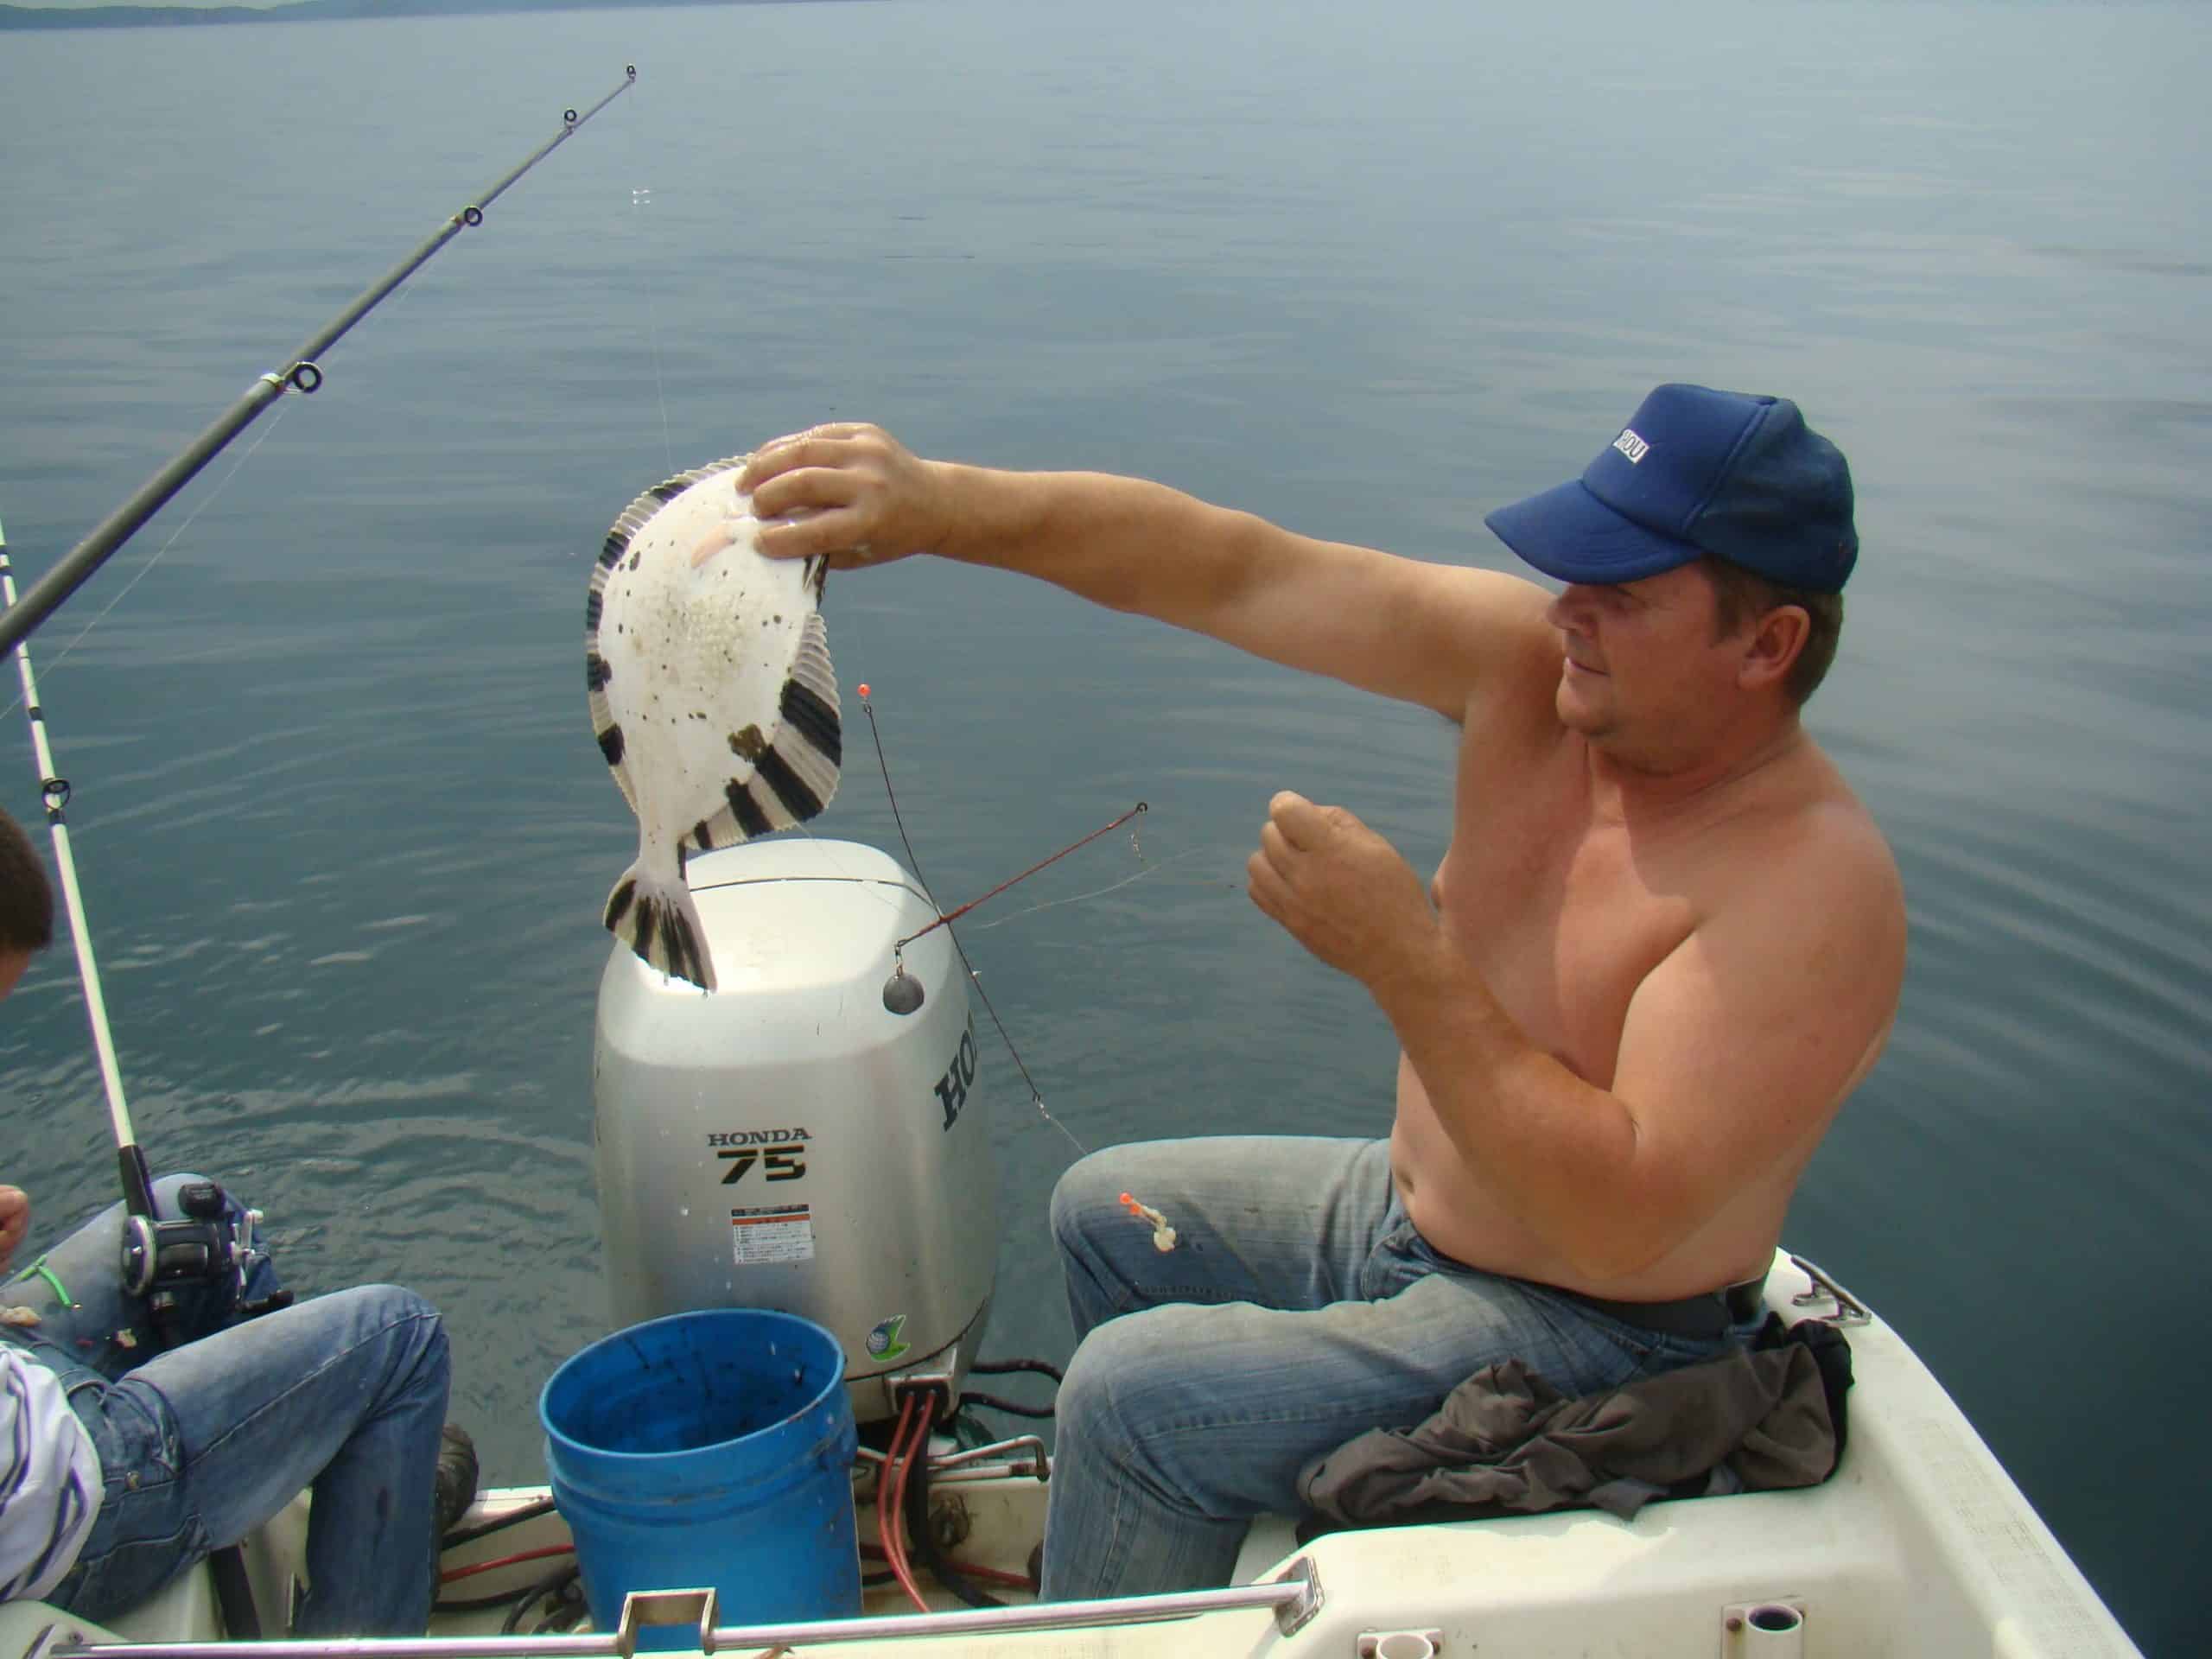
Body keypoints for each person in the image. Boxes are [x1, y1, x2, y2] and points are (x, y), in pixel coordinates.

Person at [737, 384, 1906, 1600]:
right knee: (1109, 1214)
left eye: (1625, 591)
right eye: (1575, 569)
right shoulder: (1532, 674)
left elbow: (1615, 1223)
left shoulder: (1807, 890)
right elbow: (1234, 570)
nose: (1570, 609)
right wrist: (941, 506)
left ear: (1765, 645)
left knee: (1135, 1401)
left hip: (1605, 1335)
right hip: (1419, 1221)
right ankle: (1171, 1574)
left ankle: (1134, 1584)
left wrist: (1403, 954)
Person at [0, 804, 466, 1633]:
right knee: (401, 1339)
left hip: (19, 1393)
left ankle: (298, 1475)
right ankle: (360, 1600)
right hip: (63, 1505)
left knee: (192, 1221)